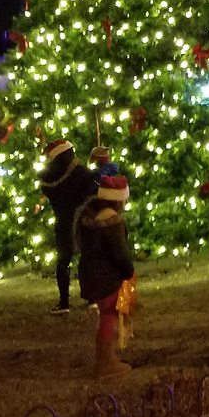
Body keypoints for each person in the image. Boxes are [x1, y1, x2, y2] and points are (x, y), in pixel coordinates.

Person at [76, 173, 136, 378]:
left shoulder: (88, 218)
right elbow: (120, 253)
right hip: (107, 277)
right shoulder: (113, 223)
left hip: (90, 274)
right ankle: (105, 362)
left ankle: (107, 358)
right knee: (108, 317)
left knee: (105, 316)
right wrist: (128, 272)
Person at [38, 138, 99, 315]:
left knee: (63, 261)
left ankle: (64, 302)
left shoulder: (47, 177)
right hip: (81, 220)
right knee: (86, 258)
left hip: (62, 220)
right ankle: (92, 298)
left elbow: (48, 190)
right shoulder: (80, 171)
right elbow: (93, 186)